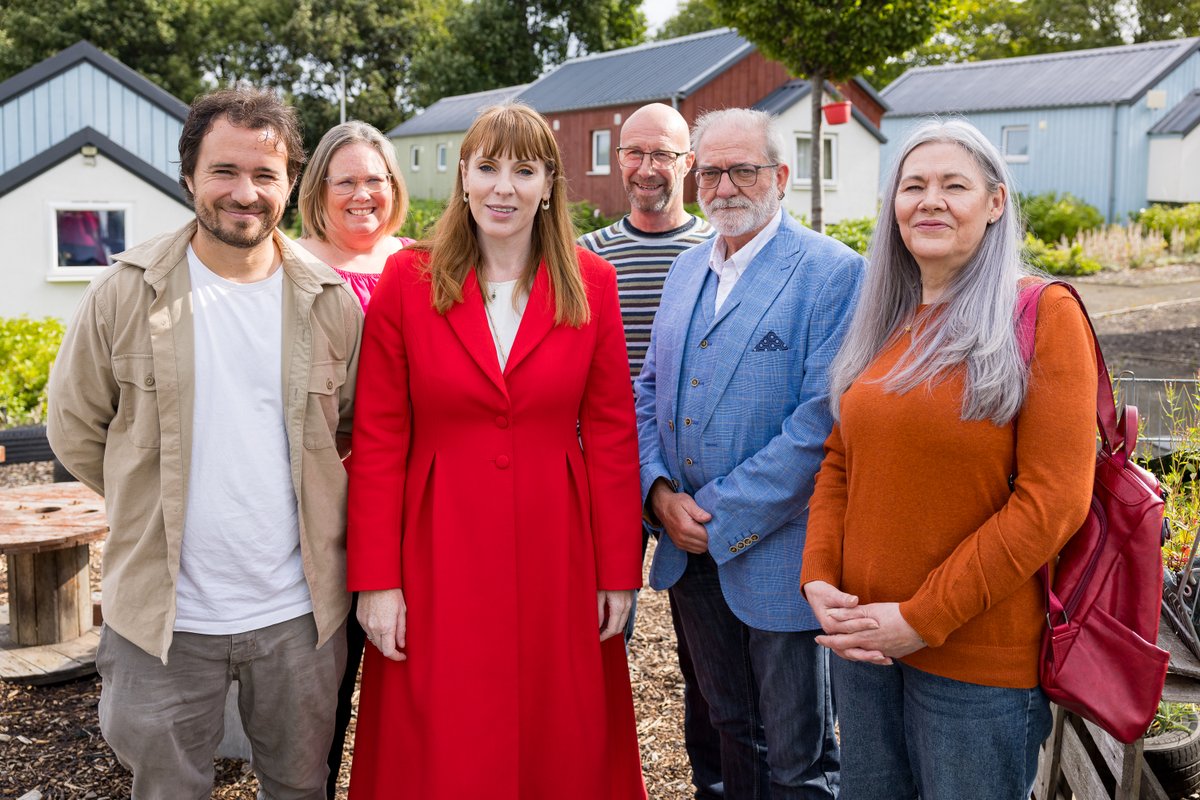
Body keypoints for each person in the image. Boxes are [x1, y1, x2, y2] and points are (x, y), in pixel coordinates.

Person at [46, 87, 361, 798]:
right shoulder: (125, 292)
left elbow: (347, 429)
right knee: (165, 789)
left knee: (300, 786)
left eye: (264, 175)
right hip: (162, 620)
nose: (244, 193)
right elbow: (75, 427)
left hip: (298, 618)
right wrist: (147, 493)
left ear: (289, 186)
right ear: (189, 175)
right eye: (224, 171)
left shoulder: (331, 302)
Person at [346, 101, 647, 799]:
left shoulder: (591, 284)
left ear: (549, 185)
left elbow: (610, 433)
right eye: (487, 168)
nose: (503, 187)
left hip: (558, 545)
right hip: (435, 542)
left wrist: (616, 572)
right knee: (441, 730)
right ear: (463, 176)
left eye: (523, 170)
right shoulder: (408, 281)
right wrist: (376, 579)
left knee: (559, 725)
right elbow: (380, 437)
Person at [800, 119, 1097, 800]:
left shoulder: (1042, 314)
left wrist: (920, 618)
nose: (930, 200)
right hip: (864, 646)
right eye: (914, 186)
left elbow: (1053, 502)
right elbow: (840, 462)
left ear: (995, 202)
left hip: (973, 664)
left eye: (953, 185)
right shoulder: (887, 320)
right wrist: (819, 577)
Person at [635, 107, 862, 799]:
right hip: (688, 549)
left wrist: (710, 515)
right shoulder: (685, 270)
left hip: (778, 555)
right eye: (711, 170)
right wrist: (658, 492)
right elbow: (647, 390)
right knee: (729, 730)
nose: (725, 185)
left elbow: (819, 423)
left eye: (743, 169)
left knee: (797, 758)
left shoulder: (832, 273)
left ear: (781, 176)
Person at [578, 102, 724, 800]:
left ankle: (712, 781)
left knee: (708, 657)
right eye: (633, 153)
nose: (646, 167)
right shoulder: (588, 257)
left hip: (693, 482)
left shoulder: (714, 256)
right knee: (600, 640)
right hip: (604, 475)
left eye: (662, 154)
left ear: (688, 163)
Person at [294, 119, 411, 799]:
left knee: (408, 686)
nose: (363, 193)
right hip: (317, 506)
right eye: (347, 181)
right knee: (321, 697)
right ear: (320, 190)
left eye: (376, 179)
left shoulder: (423, 263)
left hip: (406, 502)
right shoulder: (288, 268)